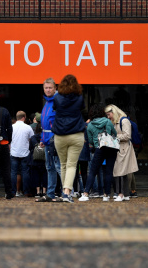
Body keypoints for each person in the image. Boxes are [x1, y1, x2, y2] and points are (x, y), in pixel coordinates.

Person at [51, 74, 86, 203]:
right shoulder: (79, 98)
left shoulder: (57, 98)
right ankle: (67, 193)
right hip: (76, 133)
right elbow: (81, 109)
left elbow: (55, 110)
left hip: (60, 134)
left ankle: (65, 193)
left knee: (63, 164)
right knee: (72, 165)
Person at [79, 103, 118, 202]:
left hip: (99, 148)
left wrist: (95, 143)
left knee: (92, 171)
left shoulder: (90, 125)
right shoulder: (108, 121)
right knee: (108, 172)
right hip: (110, 148)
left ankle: (86, 193)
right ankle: (106, 195)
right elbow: (115, 133)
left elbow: (90, 141)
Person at [105, 104, 139, 202]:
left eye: (109, 114)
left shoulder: (124, 121)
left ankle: (120, 193)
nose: (108, 116)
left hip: (123, 148)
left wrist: (113, 137)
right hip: (119, 148)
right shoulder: (116, 121)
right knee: (122, 172)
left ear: (113, 112)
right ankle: (125, 194)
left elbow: (127, 136)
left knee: (119, 171)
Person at [35, 78, 62, 202]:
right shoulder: (47, 103)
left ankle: (66, 193)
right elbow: (45, 123)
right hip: (47, 140)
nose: (48, 90)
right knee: (50, 167)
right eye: (46, 88)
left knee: (59, 167)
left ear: (55, 88)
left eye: (50, 87)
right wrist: (42, 138)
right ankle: (50, 194)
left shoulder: (58, 102)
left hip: (55, 139)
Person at [10, 111, 34, 197]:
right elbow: (32, 139)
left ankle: (13, 191)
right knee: (25, 172)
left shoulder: (12, 127)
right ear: (24, 117)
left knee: (13, 172)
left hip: (14, 152)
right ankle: (26, 191)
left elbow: (9, 139)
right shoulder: (28, 127)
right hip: (25, 152)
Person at [29, 123, 47, 197]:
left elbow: (30, 148)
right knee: (45, 175)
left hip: (35, 160)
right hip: (45, 159)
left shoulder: (33, 137)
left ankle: (38, 191)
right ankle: (44, 191)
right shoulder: (46, 137)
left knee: (36, 175)